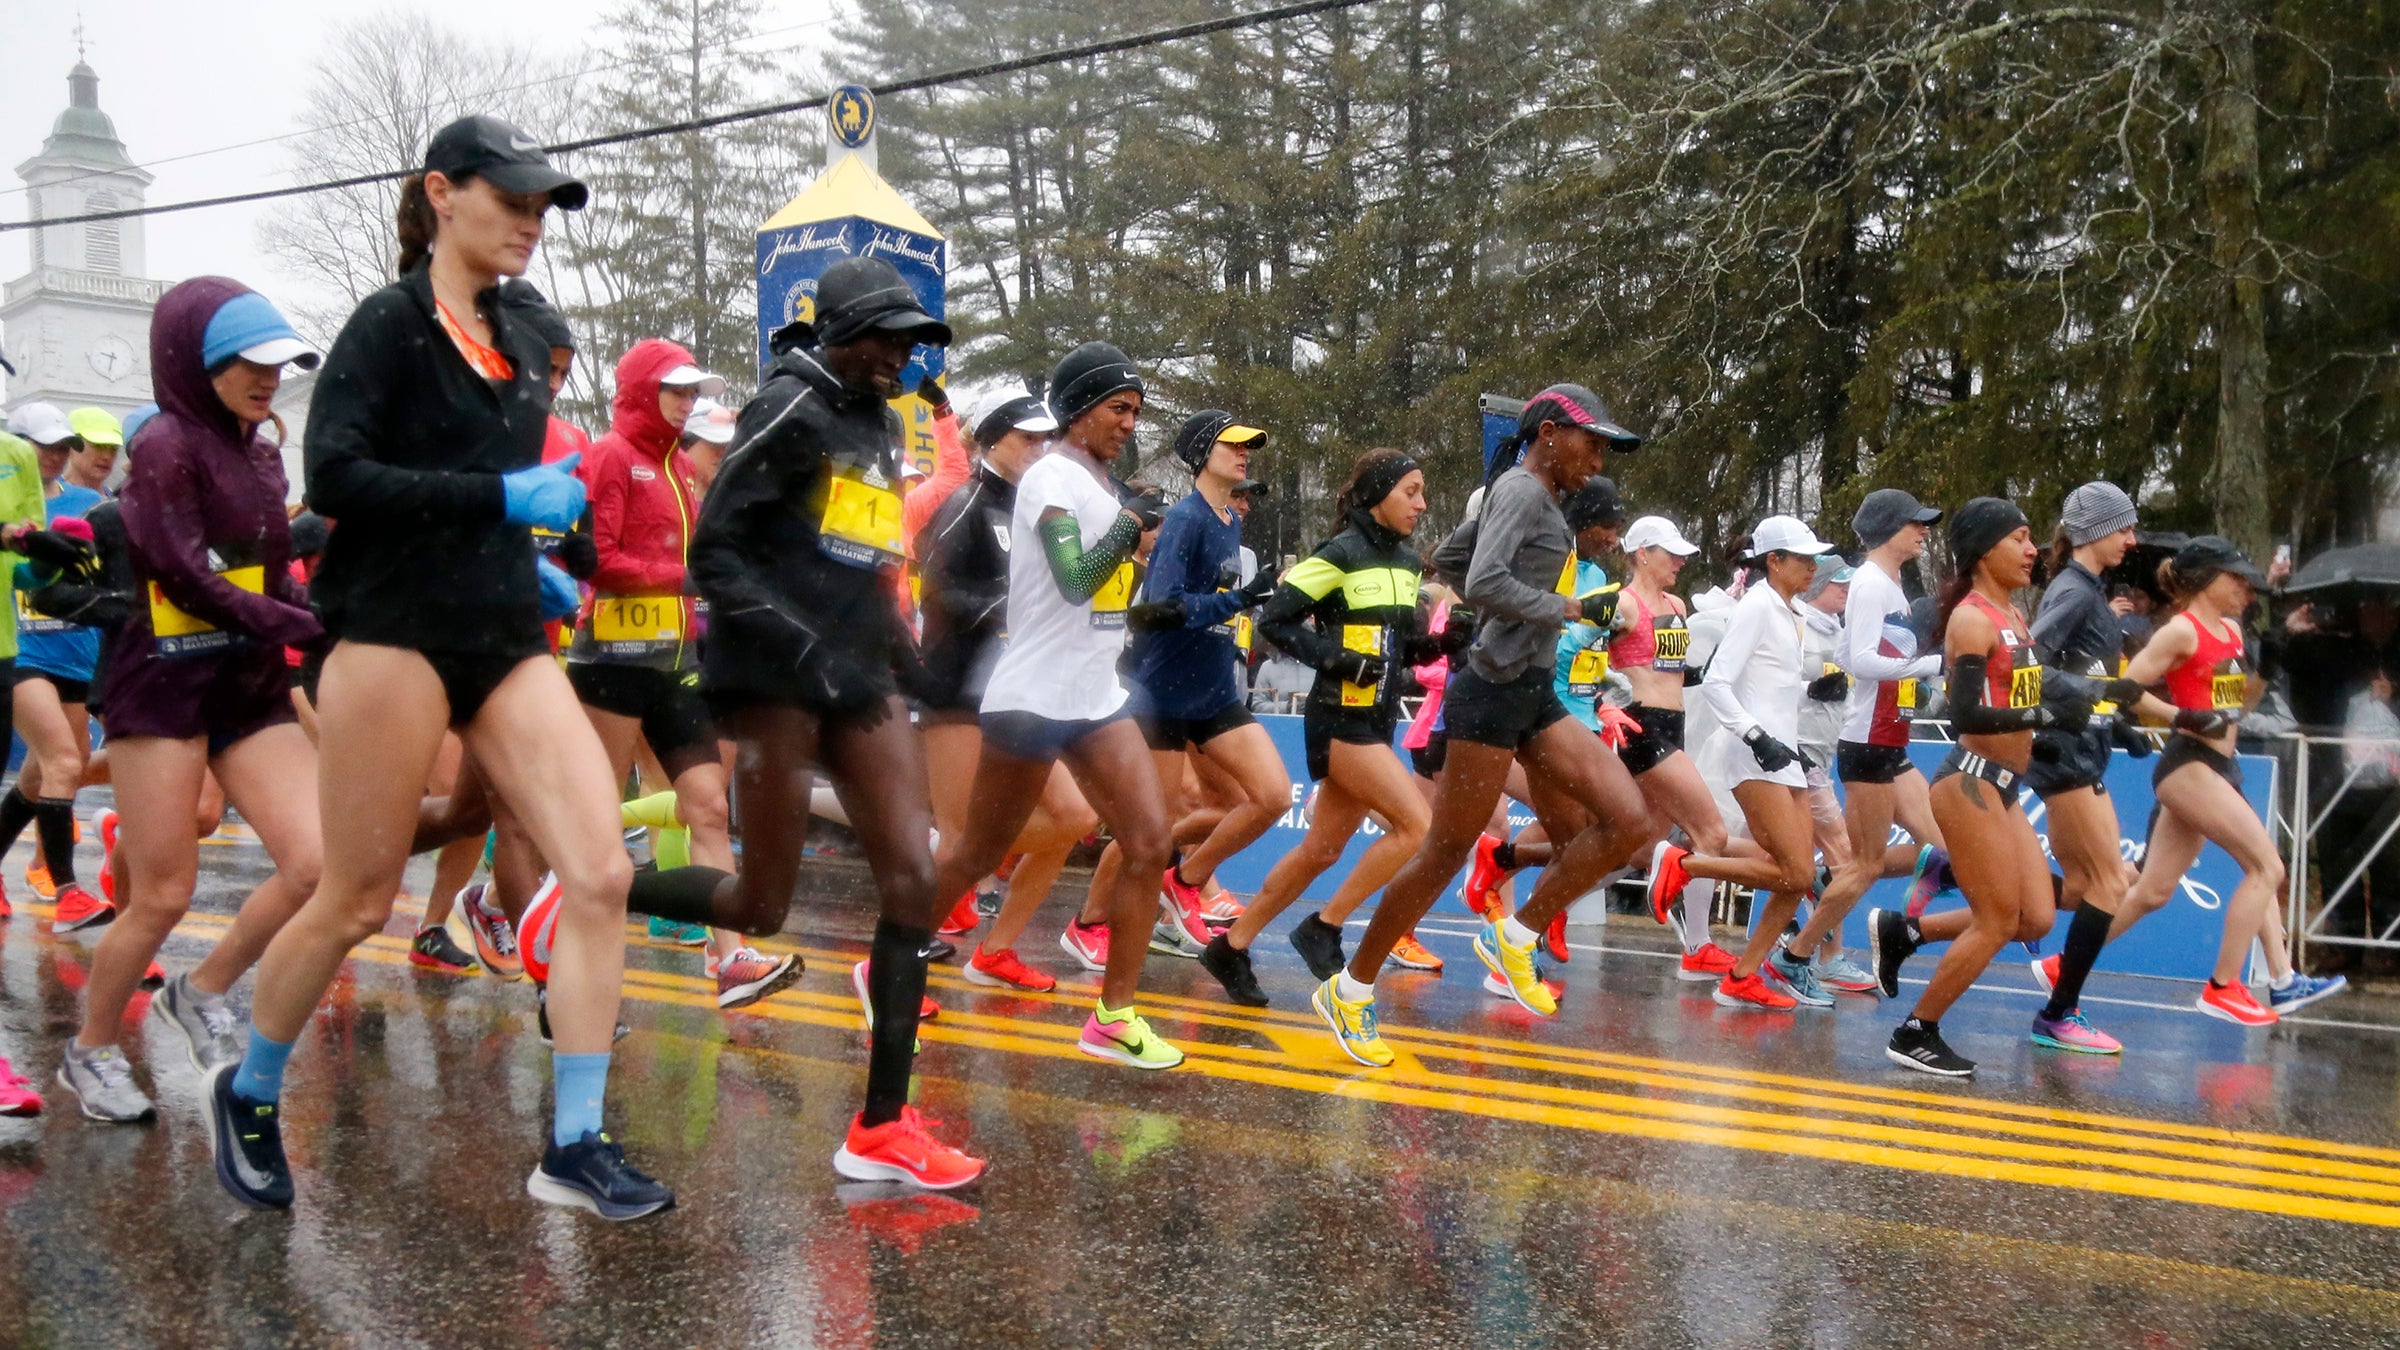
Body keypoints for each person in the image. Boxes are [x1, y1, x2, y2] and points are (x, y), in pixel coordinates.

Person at [209, 118, 675, 1218]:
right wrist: (500, 503)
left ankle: (572, 1142)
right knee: (357, 897)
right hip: (392, 630)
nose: (528, 222)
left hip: (501, 629)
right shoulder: (388, 325)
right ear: (440, 194)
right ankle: (253, 1089)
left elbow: (493, 468)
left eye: (541, 208)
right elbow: (338, 477)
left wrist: (528, 553)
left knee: (601, 872)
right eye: (509, 199)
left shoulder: (519, 327)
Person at [614, 254, 982, 1189]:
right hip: (776, 683)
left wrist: (909, 658)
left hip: (859, 678)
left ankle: (881, 1126)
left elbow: (864, 558)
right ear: (840, 332)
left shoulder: (875, 416)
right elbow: (718, 557)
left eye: (913, 342)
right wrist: (805, 647)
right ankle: (593, 886)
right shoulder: (788, 405)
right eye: (888, 339)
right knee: (759, 906)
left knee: (913, 879)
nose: (903, 356)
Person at [1313, 384, 1649, 1065]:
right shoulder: (1524, 492)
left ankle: (1516, 936)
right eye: (1593, 442)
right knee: (1442, 852)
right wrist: (1571, 608)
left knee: (1629, 823)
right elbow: (1489, 580)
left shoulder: (1529, 495)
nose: (1600, 459)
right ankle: (1349, 989)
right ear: (1550, 434)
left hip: (1530, 693)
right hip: (1492, 695)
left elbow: (1455, 561)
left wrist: (1504, 610)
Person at [58, 280, 327, 1128]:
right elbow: (184, 572)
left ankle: (200, 988)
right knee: (164, 894)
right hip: (165, 686)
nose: (266, 378)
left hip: (245, 686)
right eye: (247, 361)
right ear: (194, 360)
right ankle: (90, 1050)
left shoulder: (262, 450)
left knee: (318, 864)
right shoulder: (167, 445)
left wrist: (328, 607)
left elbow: (263, 562)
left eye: (277, 364)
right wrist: (297, 622)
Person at [919, 340, 1183, 1074]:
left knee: (1149, 841)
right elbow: (1074, 579)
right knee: (974, 850)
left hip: (1094, 693)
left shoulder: (1097, 482)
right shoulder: (1051, 478)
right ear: (1077, 409)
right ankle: (891, 959)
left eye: (1135, 412)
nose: (1129, 423)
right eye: (1116, 409)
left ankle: (1115, 1016)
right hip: (1031, 694)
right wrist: (1131, 529)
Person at [562, 338, 797, 1011]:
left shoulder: (676, 467)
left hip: (673, 664)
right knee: (589, 822)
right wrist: (685, 578)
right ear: (640, 390)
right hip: (608, 661)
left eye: (695, 392)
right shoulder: (610, 457)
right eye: (678, 390)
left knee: (706, 808)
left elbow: (692, 563)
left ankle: (731, 958)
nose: (689, 403)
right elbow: (597, 560)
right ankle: (546, 945)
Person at [1201, 449, 1452, 1005]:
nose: (1422, 503)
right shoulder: (1338, 555)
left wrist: (1440, 644)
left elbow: (1402, 646)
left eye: (1423, 491)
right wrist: (1333, 658)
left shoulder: (1409, 565)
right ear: (1377, 494)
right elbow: (1274, 621)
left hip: (1378, 718)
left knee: (1321, 850)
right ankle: (1325, 926)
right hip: (1338, 719)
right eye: (1410, 491)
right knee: (1417, 825)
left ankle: (1232, 947)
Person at [2085, 537, 2346, 1024]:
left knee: (2153, 891)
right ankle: (2226, 987)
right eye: (2237, 580)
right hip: (2189, 764)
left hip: (2221, 764)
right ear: (2206, 580)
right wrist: (2181, 716)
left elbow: (2235, 706)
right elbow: (2124, 690)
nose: (2246, 592)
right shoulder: (2178, 632)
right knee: (2267, 866)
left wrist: (2265, 668)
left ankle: (2065, 968)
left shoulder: (2230, 630)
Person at [1876, 499, 2090, 1076]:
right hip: (1968, 785)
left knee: (2037, 917)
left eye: (2031, 540)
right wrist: (2045, 720)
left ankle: (1907, 932)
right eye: (2019, 539)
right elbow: (1968, 715)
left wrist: (2059, 714)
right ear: (1983, 551)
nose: (2032, 551)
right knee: (1997, 918)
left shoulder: (2015, 616)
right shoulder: (1973, 619)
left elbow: (2016, 700)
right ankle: (1916, 1031)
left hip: (2002, 787)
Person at [915, 386, 1095, 991]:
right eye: (1027, 438)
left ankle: (995, 951)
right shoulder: (967, 503)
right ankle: (893, 966)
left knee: (1074, 818)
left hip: (1018, 695)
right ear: (992, 440)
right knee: (964, 843)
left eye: (1048, 439)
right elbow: (934, 586)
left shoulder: (1038, 507)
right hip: (955, 696)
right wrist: (1006, 610)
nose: (1040, 449)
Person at [1100, 410, 1286, 958]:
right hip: (1164, 692)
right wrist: (1240, 598)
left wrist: (1243, 601)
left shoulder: (1230, 519)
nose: (1245, 453)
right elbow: (1168, 605)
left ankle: (1185, 882)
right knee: (1147, 835)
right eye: (1234, 444)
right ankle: (1091, 924)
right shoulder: (1184, 519)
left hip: (1213, 689)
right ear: (1204, 453)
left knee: (1271, 796)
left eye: (1248, 446)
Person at [1648, 517, 1837, 1009]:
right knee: (1795, 873)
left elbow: (1769, 683)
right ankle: (1683, 862)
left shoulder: (1788, 610)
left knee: (1796, 878)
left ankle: (1742, 977)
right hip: (1755, 755)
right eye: (1803, 559)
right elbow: (1717, 681)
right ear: (1773, 561)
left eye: (1815, 559)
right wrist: (1754, 735)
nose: (1813, 567)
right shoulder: (1756, 606)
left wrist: (1809, 689)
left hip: (1784, 755)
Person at [1822, 489, 1953, 999]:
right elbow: (1858, 659)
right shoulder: (1871, 583)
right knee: (1866, 865)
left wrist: (1910, 682)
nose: (1923, 531)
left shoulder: (1891, 583)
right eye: (1915, 524)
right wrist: (1931, 667)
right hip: (1869, 741)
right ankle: (1802, 955)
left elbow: (1843, 650)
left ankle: (1821, 885)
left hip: (1889, 737)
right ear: (1887, 529)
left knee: (1938, 848)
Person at [3, 406, 113, 926]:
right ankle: (69, 891)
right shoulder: (11, 509)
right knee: (65, 764)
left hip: (78, 656)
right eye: (39, 445)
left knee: (37, 778)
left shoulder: (90, 504)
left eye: (61, 445)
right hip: (23, 654)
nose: (51, 455)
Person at [1785, 554, 1877, 993]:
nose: (1845, 591)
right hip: (1795, 750)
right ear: (1816, 585)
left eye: (1848, 585)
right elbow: (1777, 678)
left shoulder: (1841, 630)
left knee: (1789, 859)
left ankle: (1691, 860)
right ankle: (1826, 958)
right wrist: (1814, 685)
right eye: (1838, 584)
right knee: (1842, 857)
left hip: (1823, 753)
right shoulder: (1797, 623)